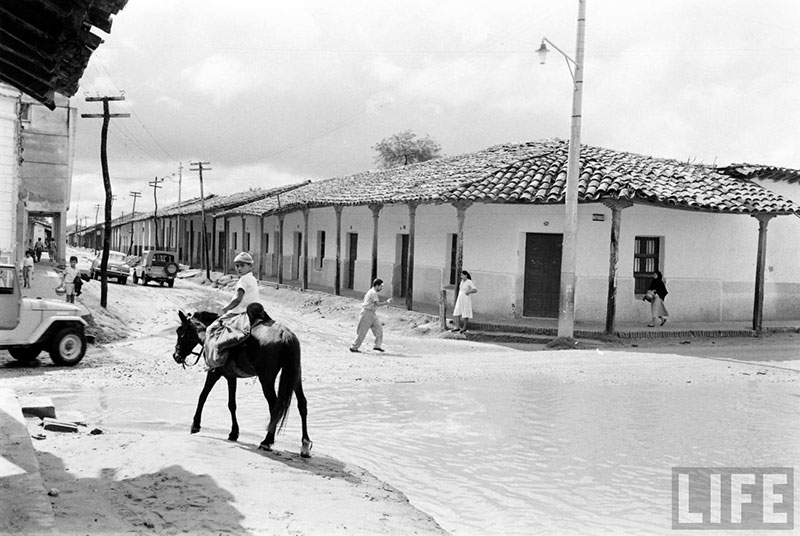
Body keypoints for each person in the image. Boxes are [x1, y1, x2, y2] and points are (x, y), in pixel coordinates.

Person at [204, 252, 261, 369]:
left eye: (242, 266)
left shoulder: (243, 280)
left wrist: (226, 308)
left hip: (241, 313)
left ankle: (214, 361)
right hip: (254, 311)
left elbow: (237, 299)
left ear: (250, 266)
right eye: (237, 266)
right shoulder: (252, 278)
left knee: (212, 329)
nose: (239, 268)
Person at [350, 278, 392, 353]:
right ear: (377, 285)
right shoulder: (373, 293)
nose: (381, 288)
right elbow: (377, 304)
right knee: (362, 331)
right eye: (381, 286)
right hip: (367, 313)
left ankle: (377, 346)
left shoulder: (373, 292)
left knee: (379, 329)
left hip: (372, 313)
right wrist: (386, 302)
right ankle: (354, 347)